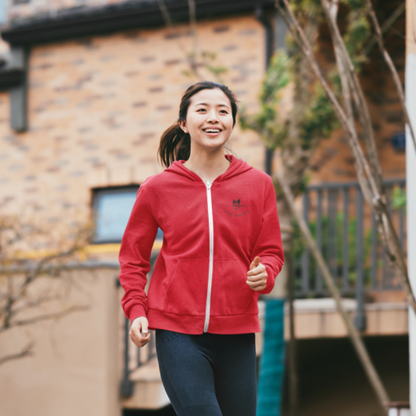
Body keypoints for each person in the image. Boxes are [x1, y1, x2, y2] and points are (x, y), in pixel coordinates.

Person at [119, 81, 284, 416]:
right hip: (176, 331)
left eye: (223, 111)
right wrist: (136, 309)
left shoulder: (258, 184)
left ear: (232, 122)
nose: (214, 118)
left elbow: (271, 251)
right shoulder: (158, 188)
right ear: (184, 123)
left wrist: (264, 274)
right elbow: (133, 258)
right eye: (203, 109)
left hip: (237, 330)